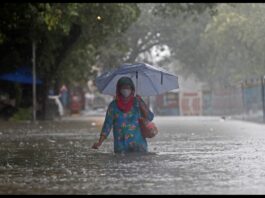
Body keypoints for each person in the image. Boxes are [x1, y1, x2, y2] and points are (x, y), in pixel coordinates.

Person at [92, 76, 154, 153]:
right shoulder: (113, 106)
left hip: (139, 145)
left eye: (128, 87)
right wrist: (99, 142)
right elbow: (107, 125)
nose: (125, 90)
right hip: (121, 147)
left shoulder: (137, 102)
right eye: (123, 87)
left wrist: (141, 104)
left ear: (132, 89)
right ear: (119, 89)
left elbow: (150, 117)